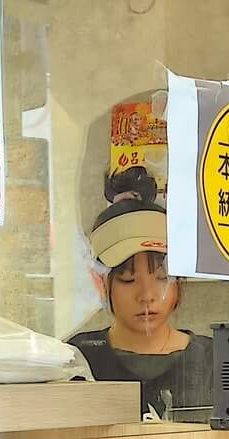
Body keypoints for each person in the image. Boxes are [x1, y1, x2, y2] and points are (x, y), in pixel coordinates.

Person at [69, 167, 217, 419]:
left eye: (161, 277)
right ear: (101, 282)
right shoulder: (78, 361)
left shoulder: (213, 361)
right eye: (128, 279)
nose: (147, 295)